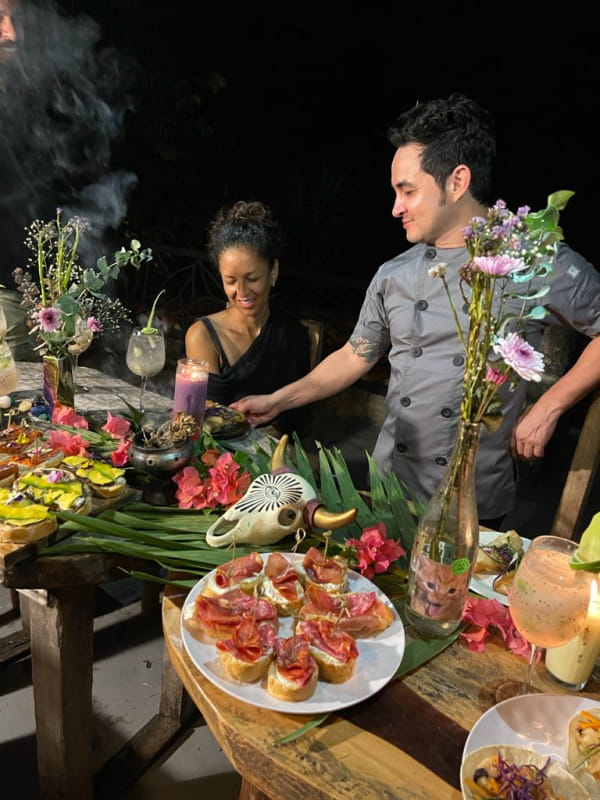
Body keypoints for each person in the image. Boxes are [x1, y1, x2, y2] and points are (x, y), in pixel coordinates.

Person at [232, 94, 600, 524]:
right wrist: (278, 399)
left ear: (457, 181)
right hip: (390, 490)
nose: (395, 207)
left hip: (473, 507)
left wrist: (550, 406)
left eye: (407, 191)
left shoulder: (529, 257)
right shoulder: (395, 275)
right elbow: (356, 354)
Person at [185, 200, 311, 435]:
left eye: (252, 279)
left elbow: (296, 419)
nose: (241, 293)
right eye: (230, 281)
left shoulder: (293, 335)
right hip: (220, 459)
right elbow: (211, 422)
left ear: (273, 271)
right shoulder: (202, 336)